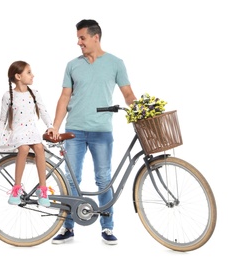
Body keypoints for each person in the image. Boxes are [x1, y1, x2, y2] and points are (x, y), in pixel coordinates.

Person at [51, 19, 136, 245]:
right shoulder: (72, 65)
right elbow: (64, 97)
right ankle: (67, 227)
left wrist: (139, 110)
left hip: (101, 131)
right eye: (78, 38)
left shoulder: (116, 63)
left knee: (104, 179)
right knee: (71, 179)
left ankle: (107, 228)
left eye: (82, 38)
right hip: (74, 131)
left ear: (95, 37)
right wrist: (55, 126)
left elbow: (127, 93)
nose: (78, 42)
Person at [0, 60, 58, 207]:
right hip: (17, 131)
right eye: (29, 72)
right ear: (18, 76)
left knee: (39, 148)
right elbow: (2, 119)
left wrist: (50, 126)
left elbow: (43, 111)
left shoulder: (34, 93)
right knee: (23, 148)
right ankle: (16, 188)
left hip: (31, 130)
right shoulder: (8, 96)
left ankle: (43, 189)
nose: (32, 75)